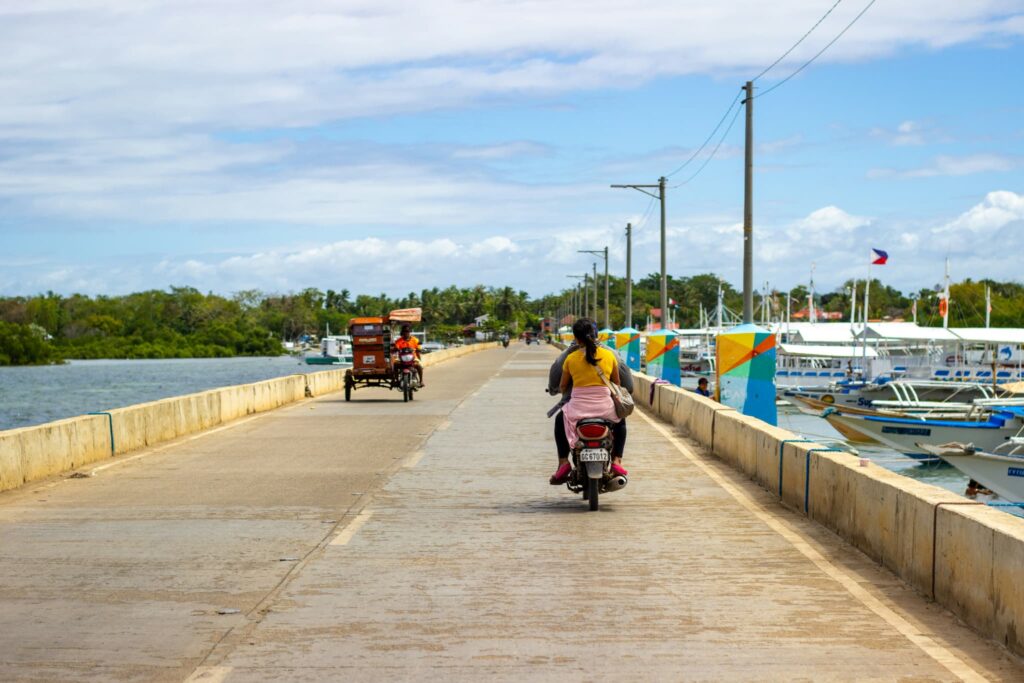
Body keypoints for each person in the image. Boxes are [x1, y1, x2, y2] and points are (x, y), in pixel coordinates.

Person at [548, 318, 628, 484]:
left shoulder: (570, 358)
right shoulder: (609, 355)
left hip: (578, 408)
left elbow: (562, 386)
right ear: (596, 335)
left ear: (576, 338)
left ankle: (563, 462)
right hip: (605, 408)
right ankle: (617, 461)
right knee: (621, 422)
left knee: (559, 420)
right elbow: (617, 383)